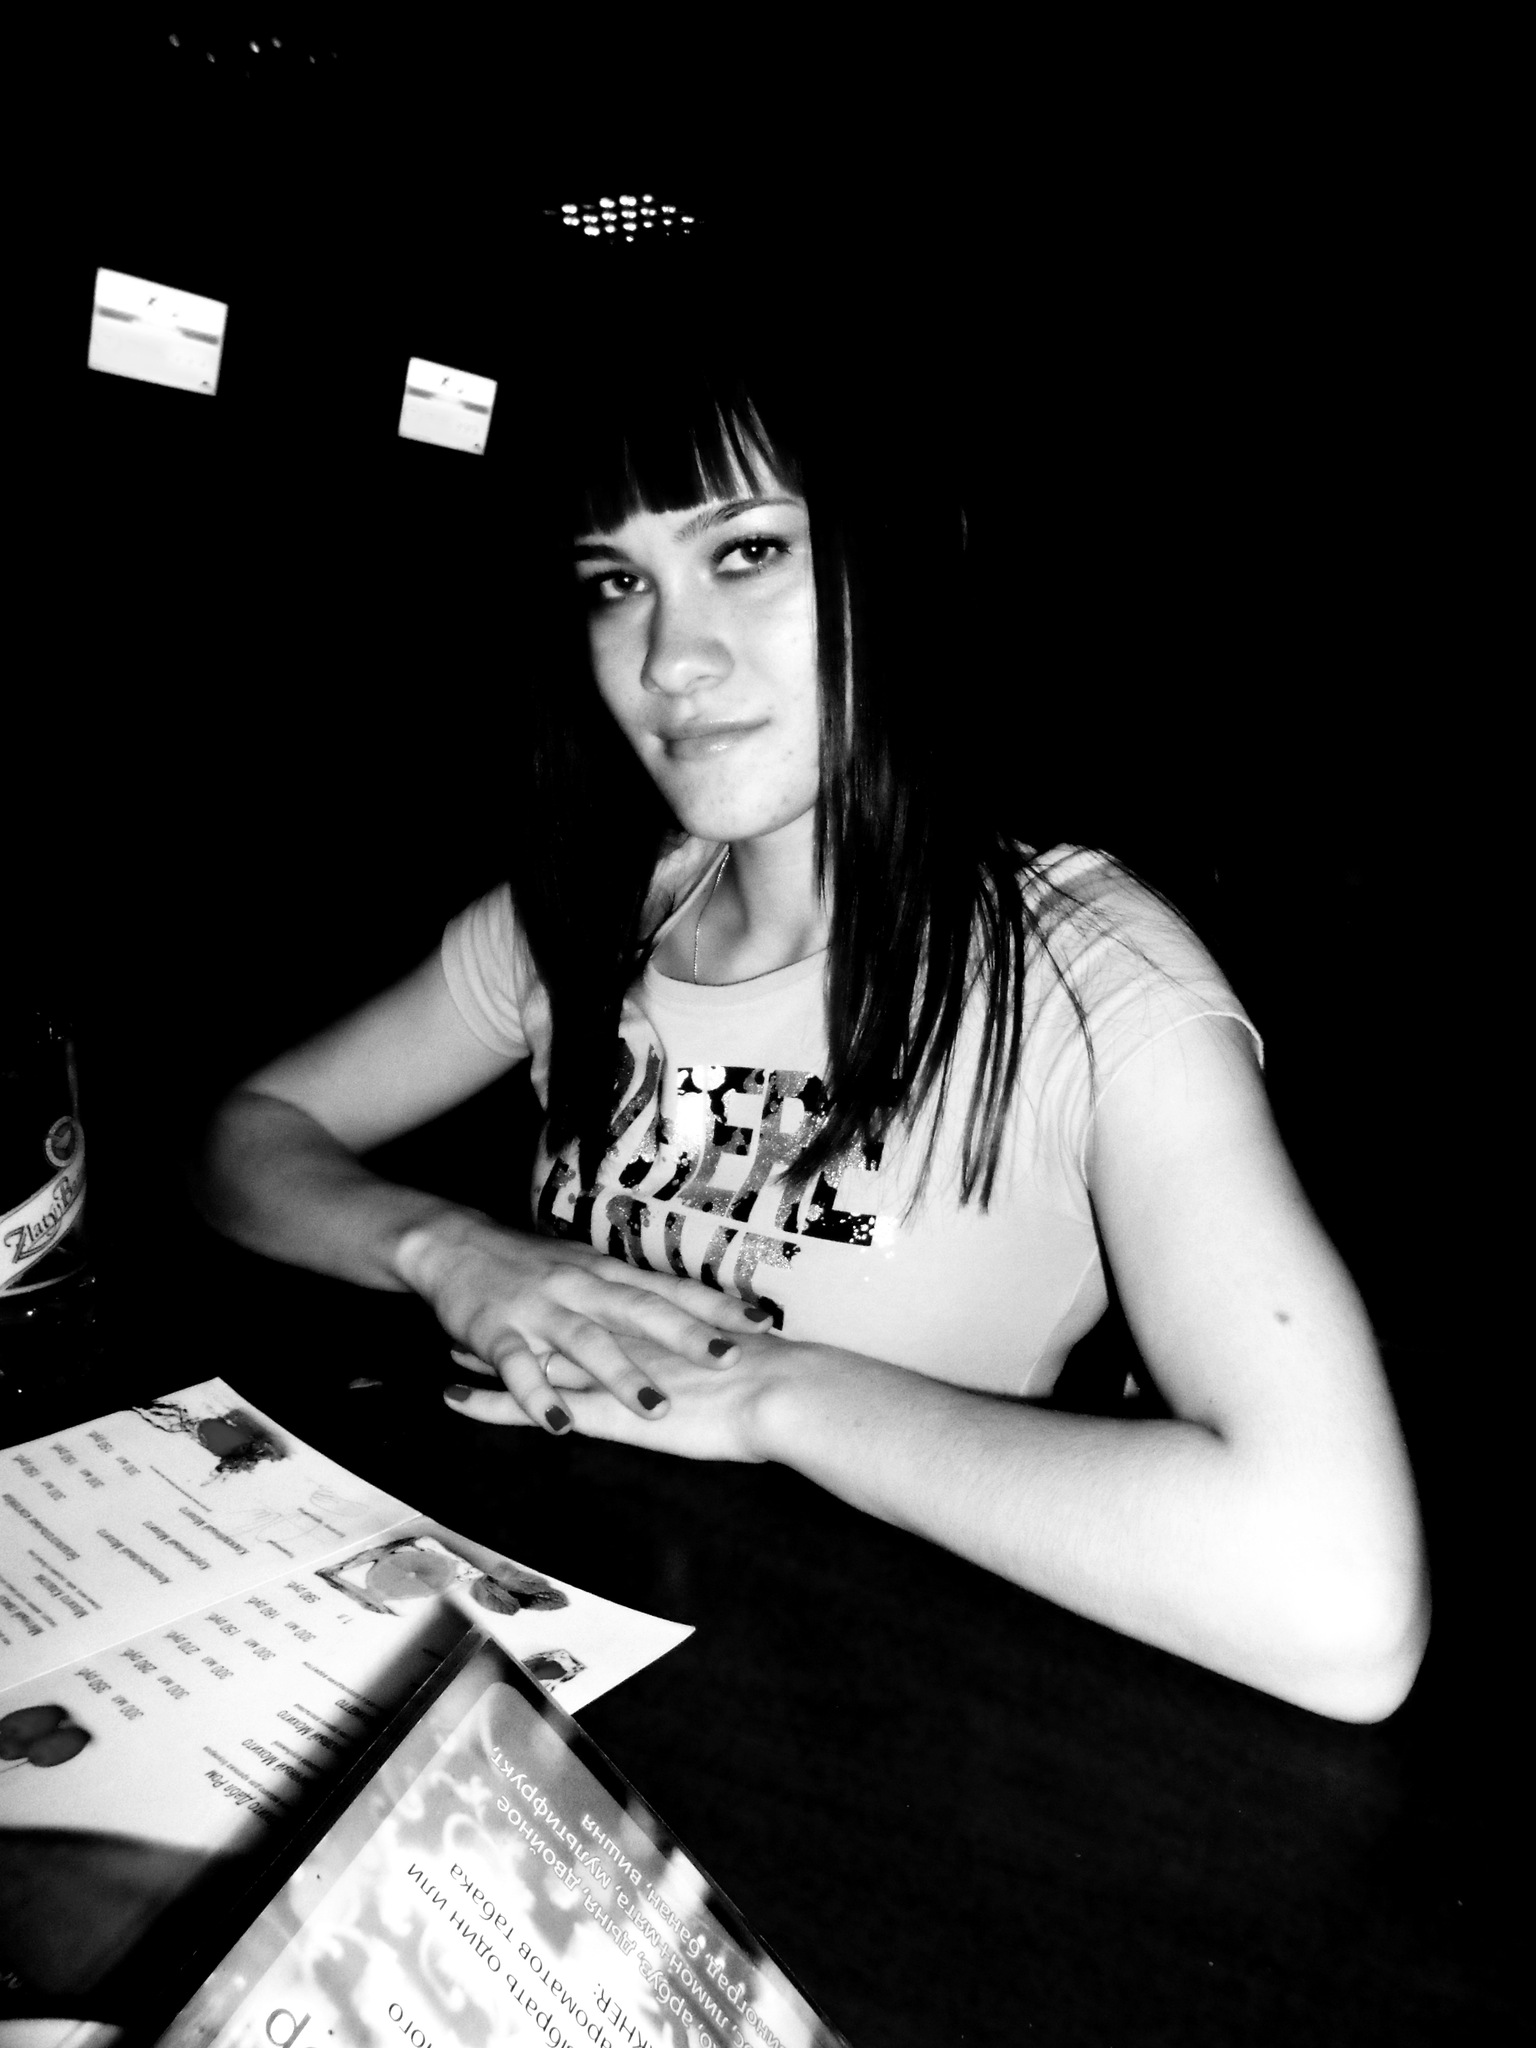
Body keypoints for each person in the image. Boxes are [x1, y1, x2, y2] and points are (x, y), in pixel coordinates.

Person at [190, 236, 1429, 1726]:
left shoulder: (1093, 981)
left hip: (872, 1709)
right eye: (617, 581)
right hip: (562, 1647)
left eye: (746, 553)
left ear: (894, 564)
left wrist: (769, 1390)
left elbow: (1343, 1601)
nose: (669, 660)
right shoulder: (581, 919)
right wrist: (451, 1252)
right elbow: (248, 1137)